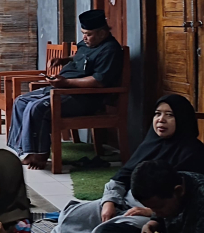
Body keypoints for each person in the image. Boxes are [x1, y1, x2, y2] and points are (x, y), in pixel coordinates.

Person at [54, 94, 204, 233]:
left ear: (183, 118)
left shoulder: (193, 153)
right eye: (157, 114)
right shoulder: (150, 144)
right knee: (73, 216)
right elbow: (122, 176)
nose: (161, 119)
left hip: (152, 211)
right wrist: (109, 202)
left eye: (170, 115)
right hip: (122, 201)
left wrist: (152, 212)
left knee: (108, 229)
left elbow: (184, 203)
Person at [8, 9, 123, 169]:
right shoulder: (88, 43)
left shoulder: (110, 50)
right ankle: (24, 151)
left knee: (37, 108)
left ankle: (40, 154)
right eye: (83, 33)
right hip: (63, 90)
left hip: (84, 97)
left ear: (102, 33)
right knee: (20, 101)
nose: (84, 37)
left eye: (88, 34)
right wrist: (63, 60)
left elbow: (98, 81)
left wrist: (67, 83)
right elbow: (80, 57)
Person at [131, 160, 204, 233]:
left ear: (178, 191)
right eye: (151, 208)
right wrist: (153, 223)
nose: (156, 213)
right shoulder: (173, 179)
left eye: (159, 207)